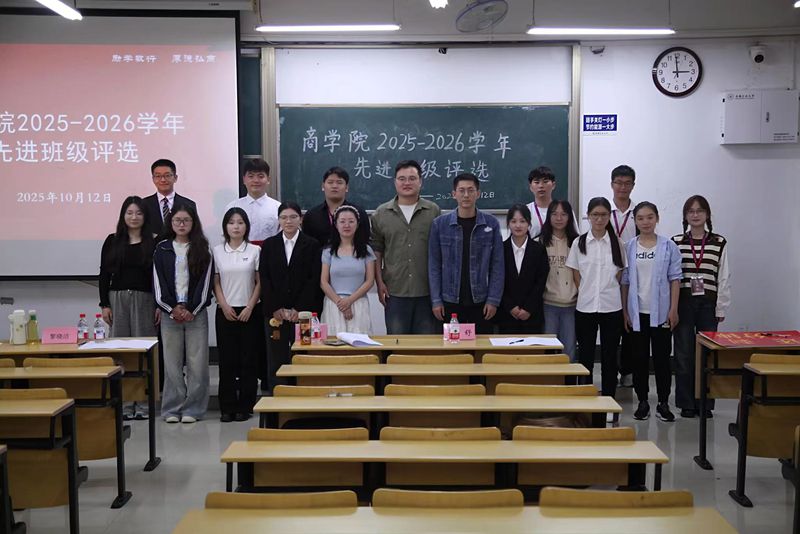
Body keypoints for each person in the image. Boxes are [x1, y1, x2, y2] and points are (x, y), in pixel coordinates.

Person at [621, 202, 682, 422]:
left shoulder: (668, 246)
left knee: (662, 359)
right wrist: (625, 311)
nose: (645, 222)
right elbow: (625, 281)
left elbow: (675, 279)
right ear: (635, 221)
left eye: (649, 217)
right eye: (640, 218)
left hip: (662, 313)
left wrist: (673, 309)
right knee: (639, 359)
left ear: (657, 218)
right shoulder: (629, 247)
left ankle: (663, 403)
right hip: (637, 313)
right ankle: (643, 402)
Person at [99, 195, 158, 420]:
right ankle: (123, 403)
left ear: (145, 216)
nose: (134, 217)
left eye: (139, 213)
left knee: (143, 353)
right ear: (123, 215)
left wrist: (158, 305)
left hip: (145, 300)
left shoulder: (154, 241)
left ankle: (142, 402)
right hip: (118, 299)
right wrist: (104, 304)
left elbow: (158, 277)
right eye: (130, 213)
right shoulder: (113, 240)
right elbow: (104, 274)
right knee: (120, 352)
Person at [153, 204, 213, 423]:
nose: (181, 224)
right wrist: (171, 308)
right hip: (170, 314)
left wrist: (192, 309)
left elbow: (206, 283)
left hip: (195, 313)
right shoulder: (162, 249)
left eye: (186, 220)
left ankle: (193, 409)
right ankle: (172, 408)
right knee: (172, 363)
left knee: (198, 363)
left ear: (193, 223)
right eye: (177, 220)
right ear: (171, 223)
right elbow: (158, 282)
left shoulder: (203, 248)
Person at [671, 195, 731, 419]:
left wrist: (721, 307)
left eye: (700, 211)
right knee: (684, 353)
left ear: (707, 214)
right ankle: (686, 403)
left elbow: (723, 276)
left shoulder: (719, 242)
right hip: (684, 303)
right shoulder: (676, 242)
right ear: (685, 216)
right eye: (691, 211)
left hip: (708, 304)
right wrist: (671, 307)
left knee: (707, 354)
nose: (695, 215)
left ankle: (705, 403)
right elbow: (671, 276)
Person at [370, 160, 441, 334]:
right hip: (394, 291)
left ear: (420, 182)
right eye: (402, 179)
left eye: (412, 178)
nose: (407, 183)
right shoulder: (381, 213)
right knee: (397, 343)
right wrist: (379, 283)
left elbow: (440, 251)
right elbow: (377, 251)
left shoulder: (433, 211)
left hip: (427, 291)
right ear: (395, 182)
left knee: (426, 345)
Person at [429, 173, 504, 334]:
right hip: (449, 301)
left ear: (478, 193)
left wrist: (493, 300)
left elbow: (497, 266)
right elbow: (434, 265)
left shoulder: (491, 224)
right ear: (454, 194)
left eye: (471, 190)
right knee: (453, 346)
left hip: (481, 301)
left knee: (482, 347)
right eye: (461, 190)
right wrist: (436, 300)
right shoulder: (439, 225)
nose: (466, 195)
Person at [566, 197, 626, 400]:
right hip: (585, 307)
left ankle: (609, 398)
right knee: (586, 355)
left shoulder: (617, 243)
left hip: (612, 307)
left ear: (609, 217)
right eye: (595, 215)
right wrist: (587, 290)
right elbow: (576, 273)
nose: (599, 219)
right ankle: (586, 397)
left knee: (610, 355)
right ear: (588, 216)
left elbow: (620, 273)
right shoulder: (579, 242)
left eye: (603, 215)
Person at [260, 202, 322, 394]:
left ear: (300, 219)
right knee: (276, 358)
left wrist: (299, 309)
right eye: (284, 217)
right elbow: (265, 278)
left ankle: (303, 396)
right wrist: (275, 307)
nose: (288, 221)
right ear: (278, 220)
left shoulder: (312, 245)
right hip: (276, 313)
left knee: (304, 355)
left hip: (303, 314)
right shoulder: (269, 245)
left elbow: (313, 279)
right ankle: (278, 397)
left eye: (293, 217)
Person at [212, 208, 262, 422]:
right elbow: (215, 281)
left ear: (246, 226)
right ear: (225, 226)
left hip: (250, 311)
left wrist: (250, 306)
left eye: (240, 222)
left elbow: (259, 282)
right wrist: (223, 305)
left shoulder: (255, 250)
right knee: (227, 360)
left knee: (248, 360)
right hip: (226, 311)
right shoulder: (217, 251)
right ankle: (227, 406)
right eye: (231, 222)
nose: (236, 226)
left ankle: (245, 406)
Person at [320, 205, 376, 334]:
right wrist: (341, 304)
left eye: (351, 221)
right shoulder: (328, 251)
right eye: (342, 221)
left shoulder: (366, 250)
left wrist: (349, 301)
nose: (347, 225)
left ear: (357, 224)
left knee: (359, 342)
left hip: (358, 303)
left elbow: (369, 281)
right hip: (334, 304)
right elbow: (323, 282)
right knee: (334, 342)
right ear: (336, 224)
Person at [538, 200, 580, 361]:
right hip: (548, 304)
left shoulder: (578, 242)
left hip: (571, 304)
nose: (559, 218)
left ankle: (569, 378)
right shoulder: (540, 242)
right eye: (554, 214)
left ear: (570, 217)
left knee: (569, 350)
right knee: (548, 350)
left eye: (563, 214)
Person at [498, 204, 549, 334]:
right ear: (508, 224)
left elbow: (541, 281)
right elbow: (497, 281)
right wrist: (511, 307)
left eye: (522, 221)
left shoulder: (539, 250)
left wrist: (528, 308)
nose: (518, 225)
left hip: (532, 314)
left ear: (529, 223)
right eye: (513, 221)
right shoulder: (500, 250)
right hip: (507, 314)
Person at [610, 164, 637, 388]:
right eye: (618, 183)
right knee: (611, 325)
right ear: (612, 184)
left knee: (630, 324)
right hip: (608, 274)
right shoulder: (602, 210)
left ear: (633, 186)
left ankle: (627, 371)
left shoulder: (639, 213)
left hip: (633, 275)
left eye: (627, 183)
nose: (622, 187)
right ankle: (611, 371)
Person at [302, 166, 370, 247]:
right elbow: (307, 246)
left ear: (347, 187)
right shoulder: (311, 216)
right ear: (323, 186)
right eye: (330, 182)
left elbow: (364, 242)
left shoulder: (359, 214)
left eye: (339, 182)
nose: (334, 186)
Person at [224, 158, 281, 245]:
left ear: (268, 179)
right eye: (251, 176)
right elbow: (225, 236)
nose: (256, 180)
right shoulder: (233, 207)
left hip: (270, 251)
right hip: (240, 251)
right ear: (244, 179)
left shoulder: (278, 208)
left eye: (260, 176)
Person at [142, 158, 197, 237]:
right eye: (158, 176)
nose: (163, 180)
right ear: (153, 179)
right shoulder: (144, 204)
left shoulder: (189, 204)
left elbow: (194, 232)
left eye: (167, 175)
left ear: (175, 178)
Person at [526, 166, 558, 238]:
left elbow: (575, 238)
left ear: (553, 185)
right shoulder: (525, 211)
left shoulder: (563, 210)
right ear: (530, 187)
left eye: (545, 182)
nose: (541, 186)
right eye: (537, 182)